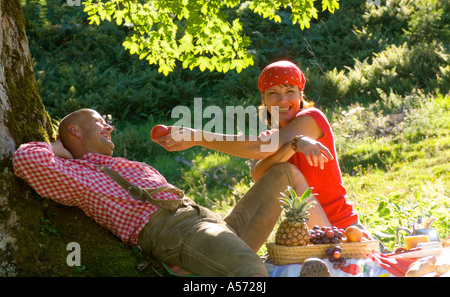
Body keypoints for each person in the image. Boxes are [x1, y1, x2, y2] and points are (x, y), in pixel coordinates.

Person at [13, 108, 331, 277]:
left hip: (208, 222)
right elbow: (25, 159)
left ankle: (330, 239)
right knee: (249, 272)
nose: (109, 128)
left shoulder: (114, 162)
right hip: (173, 231)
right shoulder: (78, 173)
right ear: (75, 132)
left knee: (281, 173)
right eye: (100, 123)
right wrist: (59, 149)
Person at [155, 60, 361, 232]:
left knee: (287, 170)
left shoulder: (311, 118)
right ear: (263, 98)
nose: (283, 100)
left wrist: (198, 136)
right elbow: (259, 174)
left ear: (301, 95)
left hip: (342, 228)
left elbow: (265, 146)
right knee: (282, 171)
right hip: (302, 232)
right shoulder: (271, 136)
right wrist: (293, 147)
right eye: (273, 93)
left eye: (290, 91)